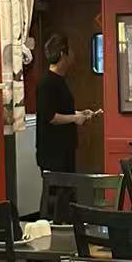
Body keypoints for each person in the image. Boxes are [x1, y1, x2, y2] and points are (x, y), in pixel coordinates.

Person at [35, 33, 90, 174]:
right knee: (58, 194)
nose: (73, 54)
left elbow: (60, 109)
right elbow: (50, 116)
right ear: (62, 54)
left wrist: (79, 113)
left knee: (69, 193)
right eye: (70, 51)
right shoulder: (46, 83)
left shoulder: (60, 80)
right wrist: (75, 118)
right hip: (53, 152)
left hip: (65, 148)